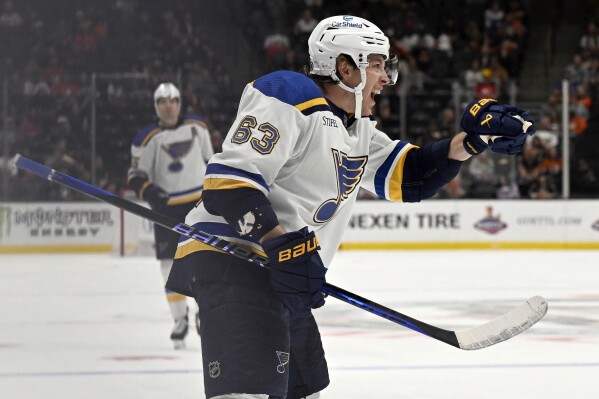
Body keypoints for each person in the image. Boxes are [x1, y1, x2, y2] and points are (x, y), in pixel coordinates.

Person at [166, 16, 535, 399]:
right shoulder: (288, 92)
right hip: (236, 263)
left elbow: (411, 176)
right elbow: (228, 185)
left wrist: (472, 141)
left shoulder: (357, 130)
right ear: (345, 67)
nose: (387, 77)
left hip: (281, 273)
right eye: (377, 65)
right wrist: (281, 243)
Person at [128, 82, 214, 349]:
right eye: (163, 101)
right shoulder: (146, 138)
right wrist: (148, 190)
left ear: (179, 103)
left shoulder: (198, 128)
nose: (168, 105)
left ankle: (206, 312)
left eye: (173, 100)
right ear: (156, 106)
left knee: (204, 263)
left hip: (199, 206)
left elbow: (213, 160)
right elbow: (135, 176)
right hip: (166, 210)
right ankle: (179, 320)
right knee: (169, 266)